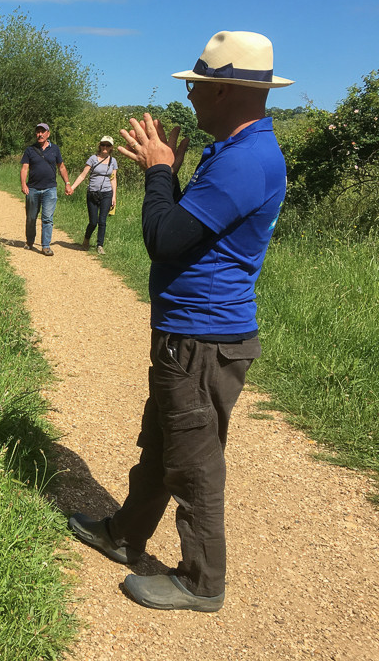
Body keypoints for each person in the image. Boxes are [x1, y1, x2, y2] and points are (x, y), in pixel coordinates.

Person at [67, 31, 292, 612]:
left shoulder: (245, 161)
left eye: (195, 86)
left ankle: (201, 580)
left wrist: (160, 172)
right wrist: (173, 170)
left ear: (221, 89)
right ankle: (124, 534)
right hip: (189, 336)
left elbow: (164, 240)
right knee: (164, 440)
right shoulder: (235, 151)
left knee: (194, 460)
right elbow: (194, 231)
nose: (189, 96)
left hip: (202, 338)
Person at [20, 123, 69, 256]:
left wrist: (67, 183)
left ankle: (45, 246)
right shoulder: (30, 150)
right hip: (33, 189)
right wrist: (24, 184)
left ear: (48, 133)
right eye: (38, 132)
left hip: (50, 189)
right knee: (31, 218)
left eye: (42, 131)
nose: (39, 134)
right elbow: (25, 168)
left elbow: (62, 167)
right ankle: (30, 241)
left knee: (47, 218)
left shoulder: (55, 149)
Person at [67, 135, 118, 255]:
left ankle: (100, 245)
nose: (105, 147)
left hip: (107, 193)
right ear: (99, 145)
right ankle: (86, 239)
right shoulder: (93, 159)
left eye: (108, 145)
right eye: (103, 144)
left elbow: (113, 179)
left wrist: (114, 196)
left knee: (102, 221)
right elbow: (82, 175)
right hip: (92, 193)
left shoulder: (113, 161)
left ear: (111, 147)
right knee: (93, 221)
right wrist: (72, 188)